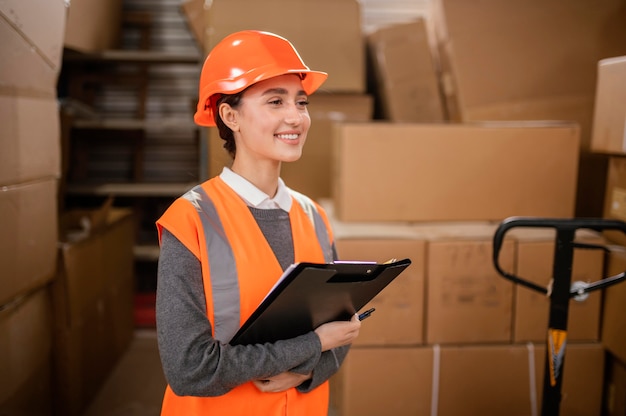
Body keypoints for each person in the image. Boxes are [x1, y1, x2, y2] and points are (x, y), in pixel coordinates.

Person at [155, 30, 362, 415]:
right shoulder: (191, 219)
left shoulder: (313, 216)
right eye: (275, 101)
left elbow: (340, 333)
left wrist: (303, 370)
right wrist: (311, 349)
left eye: (302, 102)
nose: (295, 117)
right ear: (229, 115)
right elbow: (188, 370)